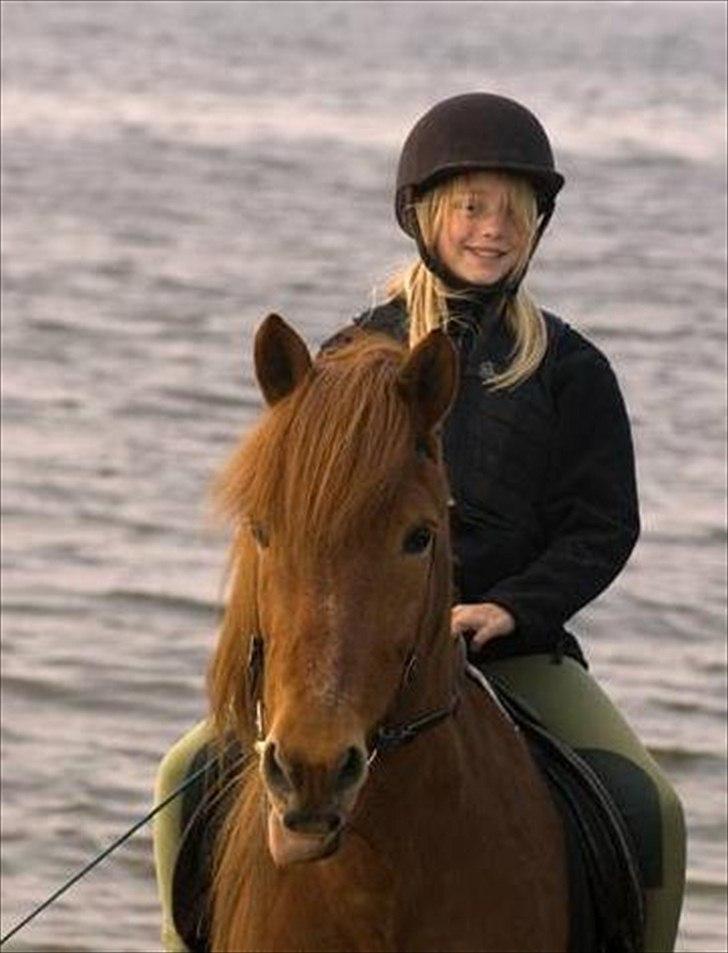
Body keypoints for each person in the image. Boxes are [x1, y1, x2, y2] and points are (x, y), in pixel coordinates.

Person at [152, 92, 686, 953]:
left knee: (648, 805)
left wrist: (512, 607)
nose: (493, 229)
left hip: (513, 653)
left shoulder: (572, 370)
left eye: (513, 212)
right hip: (358, 651)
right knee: (185, 777)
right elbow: (301, 528)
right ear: (427, 216)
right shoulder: (347, 358)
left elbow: (602, 524)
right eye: (472, 207)